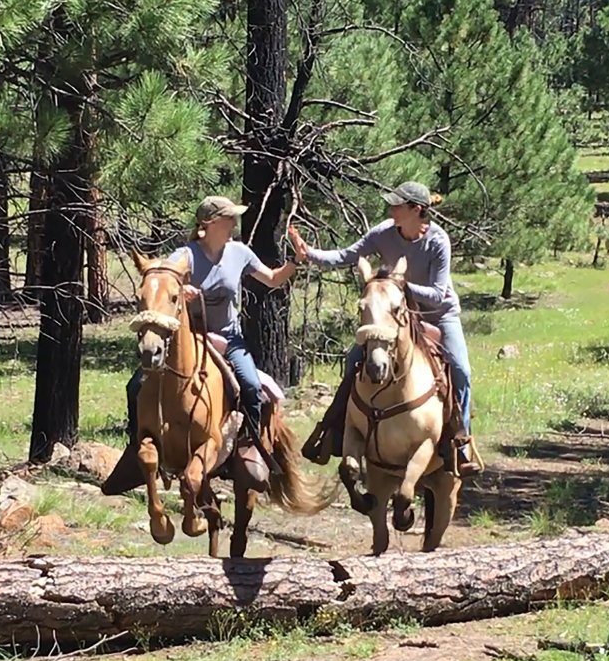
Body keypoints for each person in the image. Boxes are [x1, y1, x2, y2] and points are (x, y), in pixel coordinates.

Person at [288, 181, 481, 477]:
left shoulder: (438, 241)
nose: (390, 209)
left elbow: (439, 293)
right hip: (395, 316)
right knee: (355, 361)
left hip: (439, 315)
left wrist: (401, 285)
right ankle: (336, 430)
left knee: (461, 370)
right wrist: (309, 253)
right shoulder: (382, 233)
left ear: (416, 210)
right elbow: (345, 256)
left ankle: (460, 441)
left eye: (397, 205)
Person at [125, 196, 296, 447]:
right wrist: (183, 289)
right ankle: (136, 444)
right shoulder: (184, 257)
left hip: (229, 338)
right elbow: (165, 283)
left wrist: (296, 262)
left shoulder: (239, 252)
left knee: (250, 385)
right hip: (190, 336)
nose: (234, 224)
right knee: (135, 387)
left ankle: (250, 446)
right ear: (211, 223)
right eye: (230, 219)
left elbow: (272, 278)